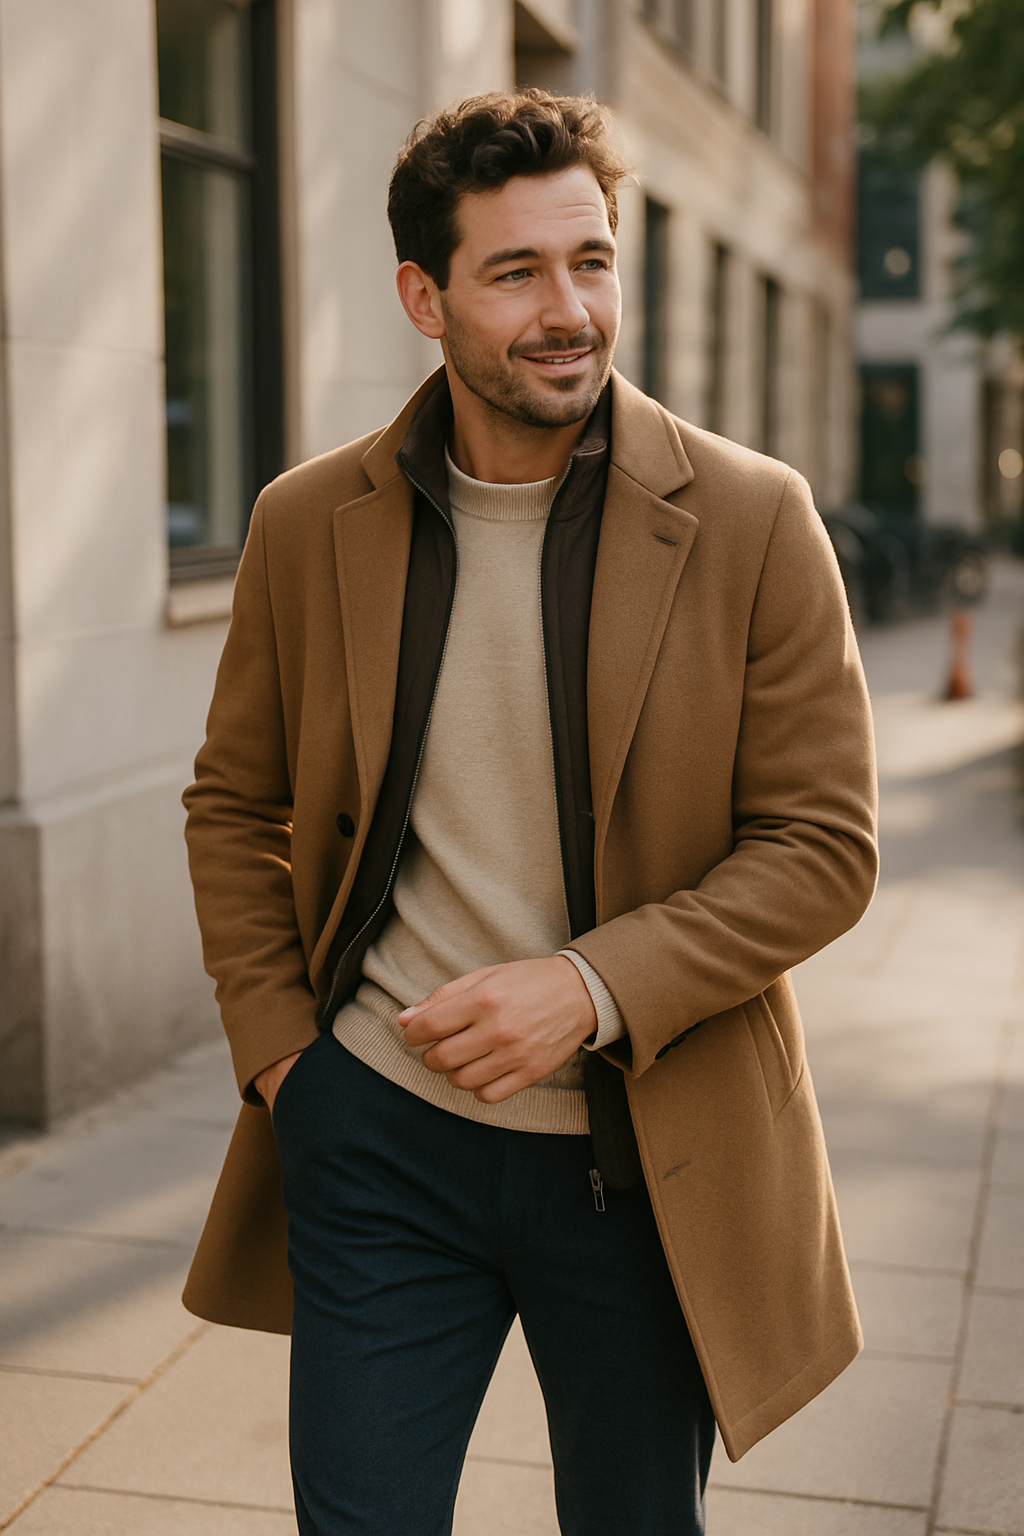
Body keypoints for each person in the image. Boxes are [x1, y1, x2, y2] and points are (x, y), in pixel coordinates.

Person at [181, 89, 878, 1536]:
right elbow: (236, 804)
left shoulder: (755, 518)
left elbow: (823, 848)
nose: (571, 312)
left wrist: (589, 987)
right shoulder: (305, 521)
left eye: (592, 262)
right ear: (422, 298)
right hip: (376, 1139)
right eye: (516, 273)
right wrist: (288, 1065)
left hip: (647, 1156)